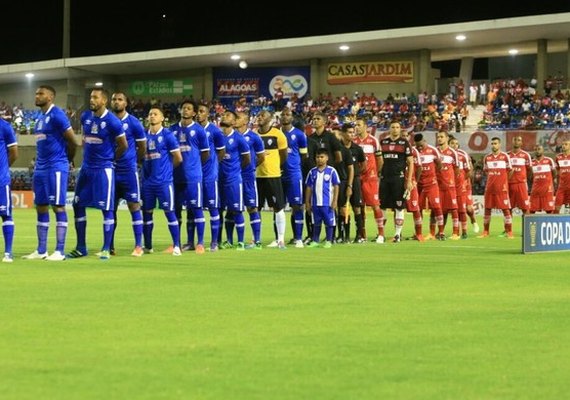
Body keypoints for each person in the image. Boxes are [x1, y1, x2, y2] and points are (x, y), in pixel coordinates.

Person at [66, 88, 128, 260]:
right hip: (86, 169)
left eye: (95, 97)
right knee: (78, 206)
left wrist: (110, 159)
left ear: (104, 101)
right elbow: (85, 139)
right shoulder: (85, 116)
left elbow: (123, 145)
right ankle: (81, 247)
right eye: (91, 97)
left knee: (106, 208)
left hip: (103, 170)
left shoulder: (113, 121)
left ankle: (106, 248)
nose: (91, 99)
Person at [23, 85, 76, 261]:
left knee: (58, 206)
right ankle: (41, 250)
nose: (37, 96)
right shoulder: (39, 117)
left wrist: (66, 161)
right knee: (41, 206)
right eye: (36, 93)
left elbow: (73, 141)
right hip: (41, 168)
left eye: (41, 94)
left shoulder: (57, 114)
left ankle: (59, 251)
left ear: (51, 97)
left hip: (56, 167)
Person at [108, 91, 147, 257]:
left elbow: (142, 147)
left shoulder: (134, 122)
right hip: (110, 171)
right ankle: (109, 246)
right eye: (114, 99)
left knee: (134, 206)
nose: (116, 102)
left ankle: (138, 246)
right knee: (110, 209)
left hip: (128, 171)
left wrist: (134, 161)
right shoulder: (106, 121)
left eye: (120, 99)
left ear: (126, 103)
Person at [140, 106, 183, 255]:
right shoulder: (144, 135)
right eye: (150, 114)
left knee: (169, 213)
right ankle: (148, 246)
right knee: (147, 214)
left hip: (164, 183)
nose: (152, 116)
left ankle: (177, 245)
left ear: (162, 118)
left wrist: (167, 171)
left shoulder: (168, 135)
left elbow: (178, 158)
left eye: (155, 114)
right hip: (147, 184)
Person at [170, 100, 209, 254]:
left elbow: (205, 153)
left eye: (189, 109)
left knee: (196, 209)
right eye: (183, 108)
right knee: (176, 210)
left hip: (193, 176)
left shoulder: (199, 130)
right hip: (175, 176)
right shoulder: (171, 130)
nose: (185, 110)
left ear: (194, 113)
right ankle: (177, 244)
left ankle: (199, 243)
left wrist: (194, 166)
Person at [255, 109, 288, 249]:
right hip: (257, 176)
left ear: (270, 119)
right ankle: (256, 239)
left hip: (272, 176)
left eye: (263, 115)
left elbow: (283, 155)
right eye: (258, 115)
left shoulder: (278, 135)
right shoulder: (254, 135)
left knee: (278, 207)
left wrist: (275, 167)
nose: (259, 117)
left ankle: (280, 239)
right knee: (256, 208)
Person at [218, 110, 251, 250]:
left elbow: (247, 159)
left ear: (233, 122)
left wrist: (235, 169)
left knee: (236, 210)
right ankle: (228, 241)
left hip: (233, 180)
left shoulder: (239, 138)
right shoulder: (217, 136)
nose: (224, 116)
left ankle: (241, 242)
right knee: (220, 210)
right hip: (219, 179)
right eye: (223, 115)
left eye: (228, 116)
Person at [196, 103, 226, 251]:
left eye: (202, 111)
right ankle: (197, 242)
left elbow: (221, 152)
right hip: (194, 176)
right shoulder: (192, 130)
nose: (198, 114)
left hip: (209, 176)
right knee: (195, 208)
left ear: (208, 114)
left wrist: (213, 165)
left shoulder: (215, 131)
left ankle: (214, 242)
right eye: (198, 111)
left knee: (213, 208)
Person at [379, 120, 413, 242]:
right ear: (389, 128)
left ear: (400, 129)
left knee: (399, 207)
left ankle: (397, 234)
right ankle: (381, 234)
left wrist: (409, 181)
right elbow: (378, 160)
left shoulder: (404, 143)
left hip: (398, 179)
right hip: (384, 179)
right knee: (382, 207)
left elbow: (411, 162)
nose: (395, 129)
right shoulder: (383, 142)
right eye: (392, 127)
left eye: (397, 127)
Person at [235, 111, 265, 249]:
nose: (235, 119)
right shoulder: (230, 136)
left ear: (245, 121)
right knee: (236, 209)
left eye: (238, 117)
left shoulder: (254, 137)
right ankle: (239, 241)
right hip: (233, 177)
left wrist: (251, 167)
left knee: (252, 208)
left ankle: (256, 241)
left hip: (248, 177)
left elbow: (261, 157)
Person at [352, 116, 385, 243]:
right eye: (356, 125)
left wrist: (375, 173)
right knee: (360, 207)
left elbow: (380, 160)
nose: (357, 127)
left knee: (375, 206)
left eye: (359, 124)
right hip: (357, 177)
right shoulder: (353, 141)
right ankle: (363, 235)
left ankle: (381, 234)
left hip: (370, 178)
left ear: (366, 126)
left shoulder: (373, 141)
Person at [280, 107, 308, 248]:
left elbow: (304, 156)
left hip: (294, 174)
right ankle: (279, 239)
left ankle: (298, 238)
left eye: (288, 114)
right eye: (283, 115)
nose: (285, 117)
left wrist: (294, 167)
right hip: (278, 174)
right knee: (278, 207)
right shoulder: (276, 134)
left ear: (292, 118)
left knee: (297, 206)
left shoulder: (299, 135)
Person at [477, 137, 514, 238]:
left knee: (505, 209)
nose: (494, 145)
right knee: (487, 210)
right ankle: (485, 231)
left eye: (495, 143)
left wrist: (504, 181)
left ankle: (509, 231)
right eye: (492, 143)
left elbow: (510, 171)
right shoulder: (487, 158)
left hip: (502, 189)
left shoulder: (505, 156)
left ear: (500, 145)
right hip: (489, 188)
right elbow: (486, 171)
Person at [305, 148, 340, 248]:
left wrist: (335, 201)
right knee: (316, 223)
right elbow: (309, 187)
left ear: (327, 158)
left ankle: (329, 240)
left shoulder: (332, 171)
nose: (319, 159)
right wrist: (307, 202)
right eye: (317, 157)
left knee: (329, 222)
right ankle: (315, 240)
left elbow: (336, 186)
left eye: (322, 157)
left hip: (327, 203)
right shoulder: (312, 172)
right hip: (315, 203)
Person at [339, 123, 366, 243]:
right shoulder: (338, 148)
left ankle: (359, 235)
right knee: (342, 208)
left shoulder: (357, 149)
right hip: (341, 180)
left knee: (357, 208)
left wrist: (356, 174)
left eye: (353, 132)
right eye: (349, 132)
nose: (352, 134)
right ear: (343, 133)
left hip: (354, 180)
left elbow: (363, 165)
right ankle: (344, 236)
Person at [449, 136, 479, 238]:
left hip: (464, 185)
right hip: (452, 185)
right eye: (452, 143)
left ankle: (473, 221)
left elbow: (470, 170)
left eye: (456, 143)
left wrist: (464, 182)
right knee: (455, 209)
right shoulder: (446, 156)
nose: (455, 145)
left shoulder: (463, 155)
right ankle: (457, 231)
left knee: (468, 208)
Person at [436, 130, 460, 240]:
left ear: (447, 138)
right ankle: (439, 232)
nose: (439, 138)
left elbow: (457, 169)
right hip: (437, 186)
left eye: (441, 137)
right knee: (437, 209)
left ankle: (456, 233)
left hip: (449, 186)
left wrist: (451, 181)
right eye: (438, 137)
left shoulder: (453, 153)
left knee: (453, 209)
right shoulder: (434, 151)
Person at [332, 126, 354, 243]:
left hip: (342, 182)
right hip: (329, 183)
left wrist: (349, 186)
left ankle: (345, 235)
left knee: (343, 209)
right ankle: (334, 235)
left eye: (336, 135)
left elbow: (351, 169)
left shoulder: (345, 151)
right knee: (331, 210)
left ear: (340, 136)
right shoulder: (327, 152)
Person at [400, 130, 423, 241]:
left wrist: (415, 181)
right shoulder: (397, 149)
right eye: (402, 136)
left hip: (410, 183)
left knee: (415, 208)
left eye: (406, 136)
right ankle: (397, 234)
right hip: (398, 182)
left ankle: (419, 233)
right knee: (398, 208)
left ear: (409, 138)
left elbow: (419, 167)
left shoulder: (414, 151)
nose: (404, 138)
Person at [0, 117, 18, 262]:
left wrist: (4, 169)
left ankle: (8, 252)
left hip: (1, 179)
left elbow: (14, 152)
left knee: (6, 214)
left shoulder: (5, 126)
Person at [507, 135, 532, 217]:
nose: (516, 142)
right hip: (509, 184)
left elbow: (529, 170)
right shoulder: (507, 155)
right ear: (512, 141)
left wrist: (524, 179)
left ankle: (527, 228)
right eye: (515, 140)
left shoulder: (526, 155)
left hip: (521, 184)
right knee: (508, 208)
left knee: (525, 207)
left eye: (518, 140)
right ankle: (508, 229)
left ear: (521, 143)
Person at [530, 144, 556, 214]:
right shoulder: (531, 162)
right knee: (531, 211)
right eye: (535, 149)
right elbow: (530, 177)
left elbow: (554, 174)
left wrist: (548, 182)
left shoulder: (549, 160)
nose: (537, 151)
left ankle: (549, 224)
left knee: (549, 211)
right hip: (535, 191)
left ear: (543, 150)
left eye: (539, 149)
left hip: (547, 191)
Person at [554, 139, 570, 214]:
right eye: (563, 144)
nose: (563, 146)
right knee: (557, 207)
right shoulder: (558, 157)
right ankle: (555, 222)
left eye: (566, 144)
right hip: (562, 187)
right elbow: (557, 171)